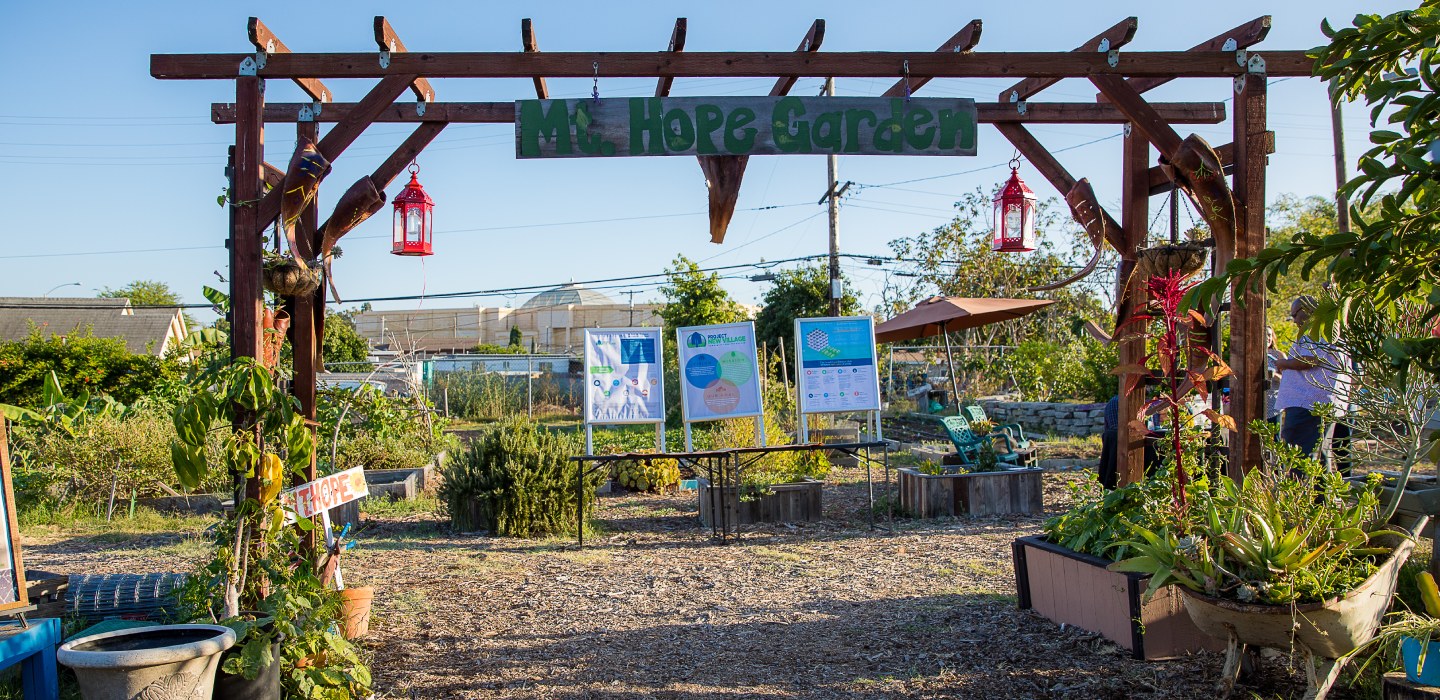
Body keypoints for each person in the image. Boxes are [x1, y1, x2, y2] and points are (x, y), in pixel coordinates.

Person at [1275, 296, 1351, 465]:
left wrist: (1283, 363)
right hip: (1319, 403)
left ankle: (1301, 490)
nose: (1294, 320)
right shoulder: (1330, 329)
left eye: (1294, 315)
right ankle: (1319, 491)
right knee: (1318, 453)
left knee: (1300, 454)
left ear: (1307, 310)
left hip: (1308, 404)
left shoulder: (1316, 329)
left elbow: (1310, 360)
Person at [1265, 327, 1283, 424]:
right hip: (1255, 405)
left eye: (1270, 335)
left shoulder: (1278, 355)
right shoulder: (1250, 354)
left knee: (1274, 438)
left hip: (1273, 406)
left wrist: (1273, 375)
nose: (1268, 338)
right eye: (1265, 334)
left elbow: (1287, 380)